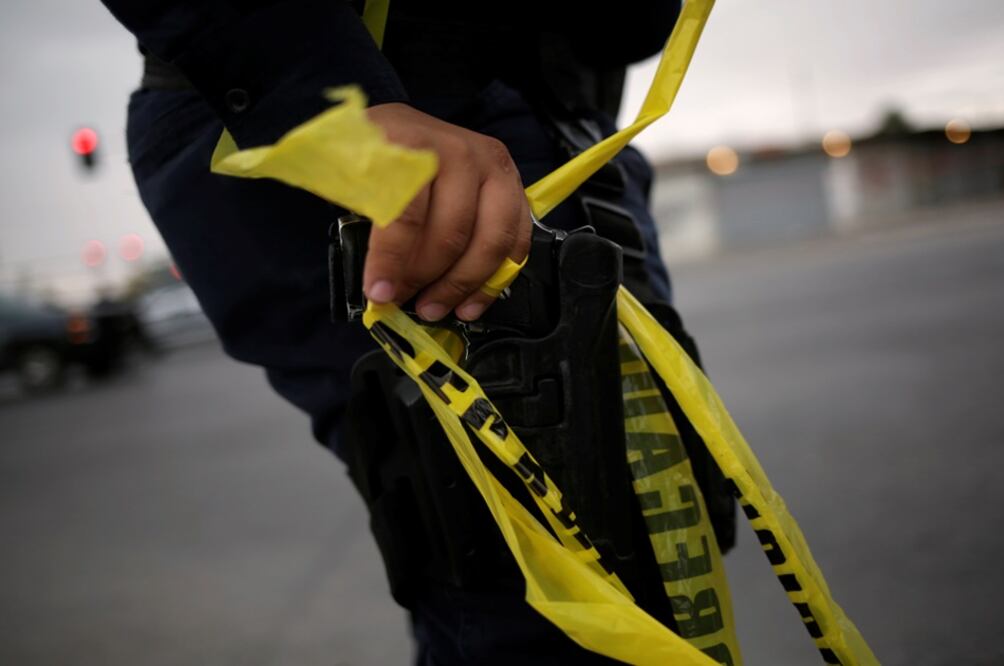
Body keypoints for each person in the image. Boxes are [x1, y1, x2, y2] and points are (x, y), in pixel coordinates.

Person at [100, 1, 698, 663]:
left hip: (553, 107)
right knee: (539, 588)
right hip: (332, 90)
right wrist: (322, 96)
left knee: (655, 529)